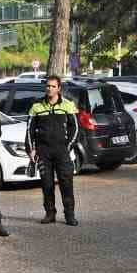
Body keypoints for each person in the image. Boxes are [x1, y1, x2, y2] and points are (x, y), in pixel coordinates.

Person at [25, 75, 80, 226]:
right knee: (47, 184)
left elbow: (75, 129)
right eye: (48, 86)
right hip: (44, 152)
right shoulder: (36, 106)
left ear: (59, 88)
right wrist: (31, 150)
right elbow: (29, 130)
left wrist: (68, 147)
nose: (50, 89)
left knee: (66, 184)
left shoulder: (68, 105)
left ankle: (70, 215)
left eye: (53, 86)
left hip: (62, 152)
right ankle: (50, 213)